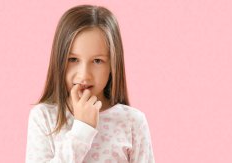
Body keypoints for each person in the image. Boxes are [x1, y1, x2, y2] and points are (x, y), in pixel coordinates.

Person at [25, 4, 155, 163]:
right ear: (59, 61)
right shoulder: (44, 117)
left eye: (97, 61)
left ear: (113, 66)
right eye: (73, 60)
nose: (84, 75)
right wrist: (82, 129)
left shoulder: (132, 122)